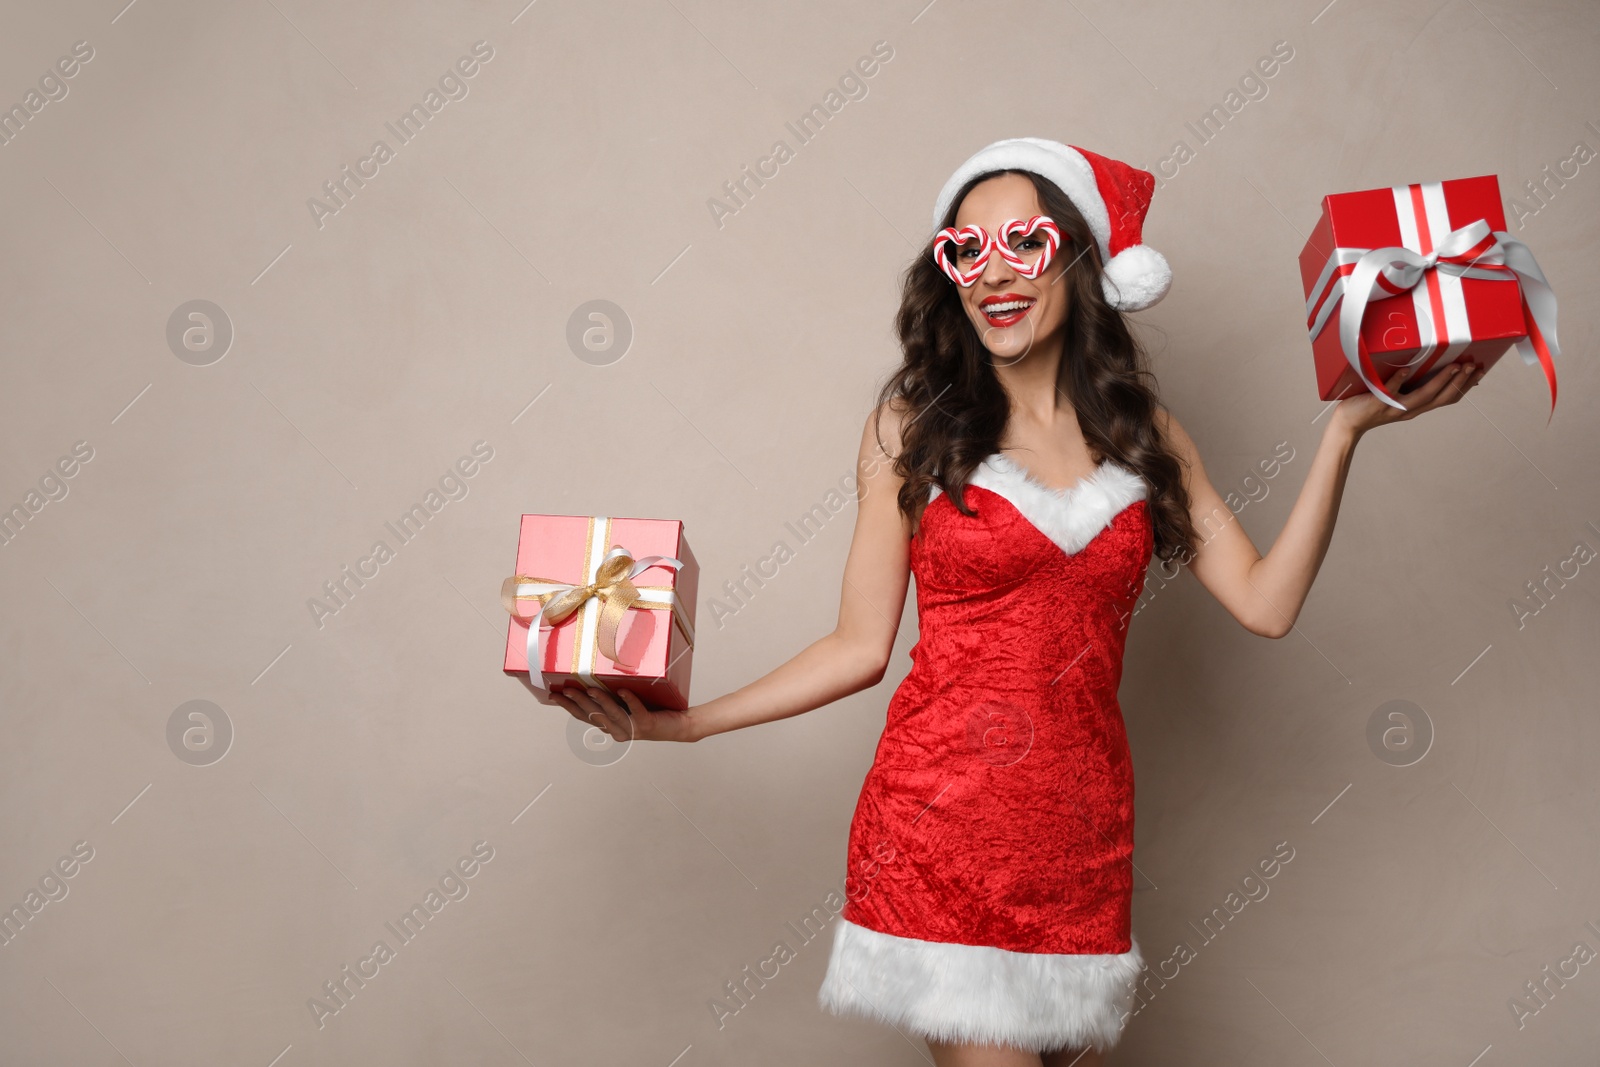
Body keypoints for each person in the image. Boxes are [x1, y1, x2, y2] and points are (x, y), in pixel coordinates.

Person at [540, 137, 1485, 1065]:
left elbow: (1266, 602)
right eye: (965, 250)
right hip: (940, 833)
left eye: (1025, 242)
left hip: (1082, 847)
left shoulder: (1143, 432)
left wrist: (1345, 432)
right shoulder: (909, 426)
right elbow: (859, 646)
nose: (995, 272)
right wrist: (690, 725)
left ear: (1081, 259)